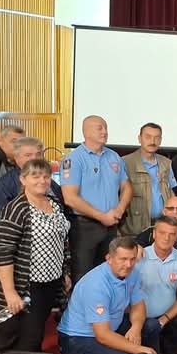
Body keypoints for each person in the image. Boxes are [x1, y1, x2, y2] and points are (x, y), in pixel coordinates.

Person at [0, 158, 71, 352]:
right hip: (27, 285)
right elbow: (3, 252)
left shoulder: (54, 203)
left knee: (36, 333)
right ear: (23, 179)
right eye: (35, 176)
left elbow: (62, 241)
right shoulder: (16, 209)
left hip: (51, 282)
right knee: (26, 337)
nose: (42, 181)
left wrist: (65, 273)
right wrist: (10, 292)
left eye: (46, 176)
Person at [57, 236, 161, 354]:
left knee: (152, 326)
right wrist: (137, 349)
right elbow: (102, 335)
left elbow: (138, 305)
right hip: (79, 338)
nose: (128, 265)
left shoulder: (132, 273)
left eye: (132, 259)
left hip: (111, 326)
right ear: (109, 258)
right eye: (123, 259)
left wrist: (136, 328)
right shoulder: (96, 284)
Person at [61, 115, 132, 284]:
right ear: (86, 132)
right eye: (99, 128)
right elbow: (70, 198)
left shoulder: (114, 157)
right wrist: (101, 216)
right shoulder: (74, 159)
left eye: (106, 128)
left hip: (112, 225)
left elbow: (127, 187)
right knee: (84, 276)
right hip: (84, 227)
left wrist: (120, 209)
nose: (105, 132)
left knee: (109, 274)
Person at [135, 215, 177, 354]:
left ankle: (168, 344)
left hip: (169, 316)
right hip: (143, 318)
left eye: (172, 234)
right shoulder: (138, 257)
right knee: (151, 330)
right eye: (162, 233)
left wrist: (164, 319)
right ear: (154, 234)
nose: (166, 238)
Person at [121, 122, 177, 236]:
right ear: (139, 138)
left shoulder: (166, 163)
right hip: (135, 229)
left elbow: (171, 192)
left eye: (156, 138)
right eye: (148, 137)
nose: (152, 141)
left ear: (160, 140)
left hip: (162, 226)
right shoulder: (125, 163)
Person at [0, 135, 61, 212]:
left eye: (38, 154)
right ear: (16, 158)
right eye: (28, 155)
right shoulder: (4, 186)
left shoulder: (47, 181)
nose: (34, 158)